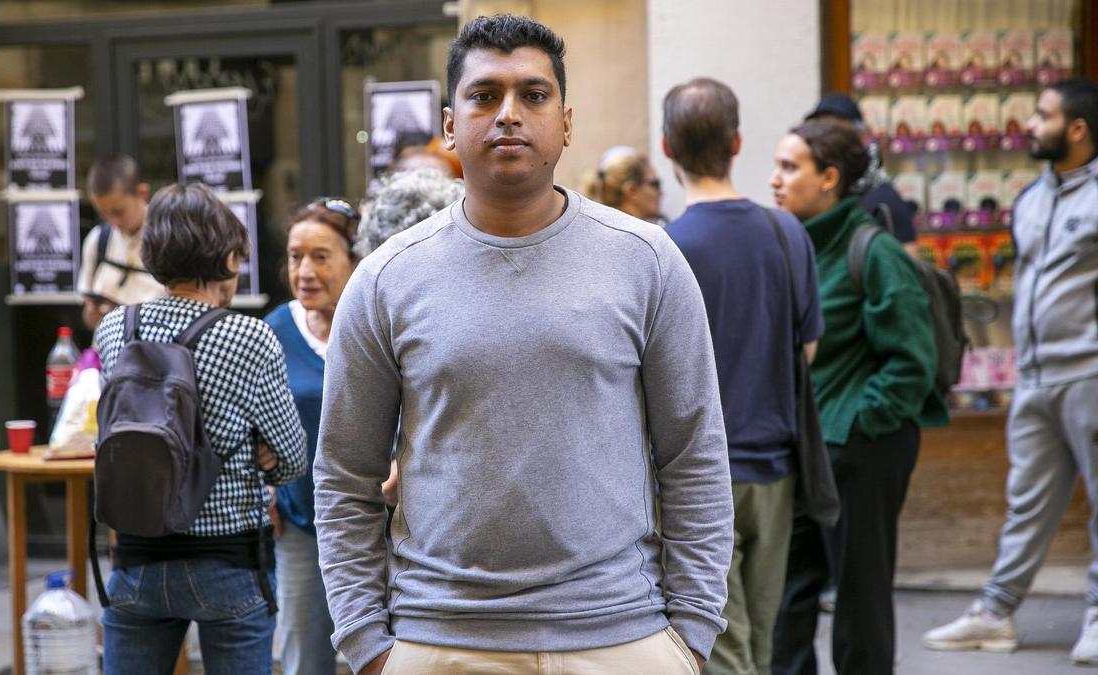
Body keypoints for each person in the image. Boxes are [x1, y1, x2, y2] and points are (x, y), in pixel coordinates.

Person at [314, 14, 732, 675]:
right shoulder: (387, 279)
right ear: (450, 125)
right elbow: (343, 473)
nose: (508, 114)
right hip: (442, 639)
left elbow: (695, 455)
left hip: (621, 636)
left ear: (566, 122)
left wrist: (691, 633)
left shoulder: (647, 260)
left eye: (533, 95)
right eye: (484, 96)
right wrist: (369, 644)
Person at [94, 182, 306, 675]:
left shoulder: (114, 330)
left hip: (135, 557)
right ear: (228, 257)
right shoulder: (249, 336)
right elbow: (292, 458)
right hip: (228, 562)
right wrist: (259, 452)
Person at [921, 79, 1098, 664]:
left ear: (1076, 129)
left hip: (1089, 374)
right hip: (1035, 379)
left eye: (1043, 115)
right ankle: (995, 613)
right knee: (1027, 499)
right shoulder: (1031, 198)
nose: (1030, 124)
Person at [768, 118, 947, 675]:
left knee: (860, 597)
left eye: (788, 167)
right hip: (803, 450)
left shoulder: (874, 250)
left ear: (829, 178)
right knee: (788, 592)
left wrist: (861, 422)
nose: (774, 179)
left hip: (861, 449)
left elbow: (914, 361)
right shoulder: (794, 244)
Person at [663, 78, 822, 675]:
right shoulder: (788, 233)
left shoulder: (664, 248)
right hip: (777, 470)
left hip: (698, 480)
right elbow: (806, 350)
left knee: (721, 645)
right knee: (764, 637)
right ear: (737, 142)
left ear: (666, 146)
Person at [264, 197, 361, 675]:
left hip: (381, 521)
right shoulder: (273, 333)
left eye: (320, 257)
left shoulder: (375, 323)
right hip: (301, 520)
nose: (304, 270)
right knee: (304, 656)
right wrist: (261, 484)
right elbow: (248, 423)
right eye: (294, 256)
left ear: (354, 259)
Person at [805, 93, 918, 255]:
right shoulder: (817, 195)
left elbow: (908, 268)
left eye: (837, 130)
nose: (826, 138)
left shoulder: (883, 198)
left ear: (862, 136)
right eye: (820, 129)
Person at [78, 154, 166, 330]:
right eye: (103, 214)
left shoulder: (170, 240)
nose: (112, 221)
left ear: (142, 193)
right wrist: (93, 313)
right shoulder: (97, 240)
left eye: (118, 212)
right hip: (107, 352)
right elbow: (88, 317)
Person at [583, 145, 664, 224]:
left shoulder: (599, 228)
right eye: (655, 184)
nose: (661, 192)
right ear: (632, 191)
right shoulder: (639, 235)